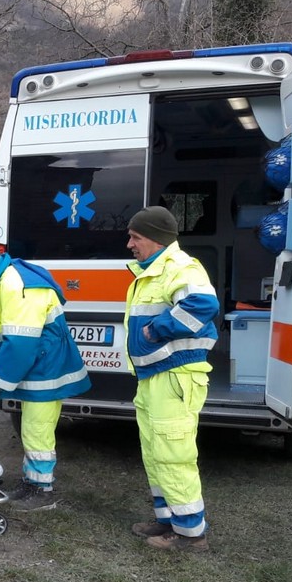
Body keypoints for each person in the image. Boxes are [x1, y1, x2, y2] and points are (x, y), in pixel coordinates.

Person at [0, 240, 90, 512]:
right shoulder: (10, 277)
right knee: (32, 428)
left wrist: (2, 380)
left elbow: (21, 342)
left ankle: (43, 490)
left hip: (45, 366)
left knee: (37, 430)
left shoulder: (15, 284)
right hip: (42, 362)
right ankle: (32, 481)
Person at [124, 206, 219, 552]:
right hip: (153, 377)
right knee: (156, 453)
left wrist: (156, 330)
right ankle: (167, 521)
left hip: (175, 376)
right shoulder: (153, 270)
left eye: (135, 237)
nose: (130, 244)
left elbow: (203, 304)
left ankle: (191, 536)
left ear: (155, 238)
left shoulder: (181, 268)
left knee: (174, 455)